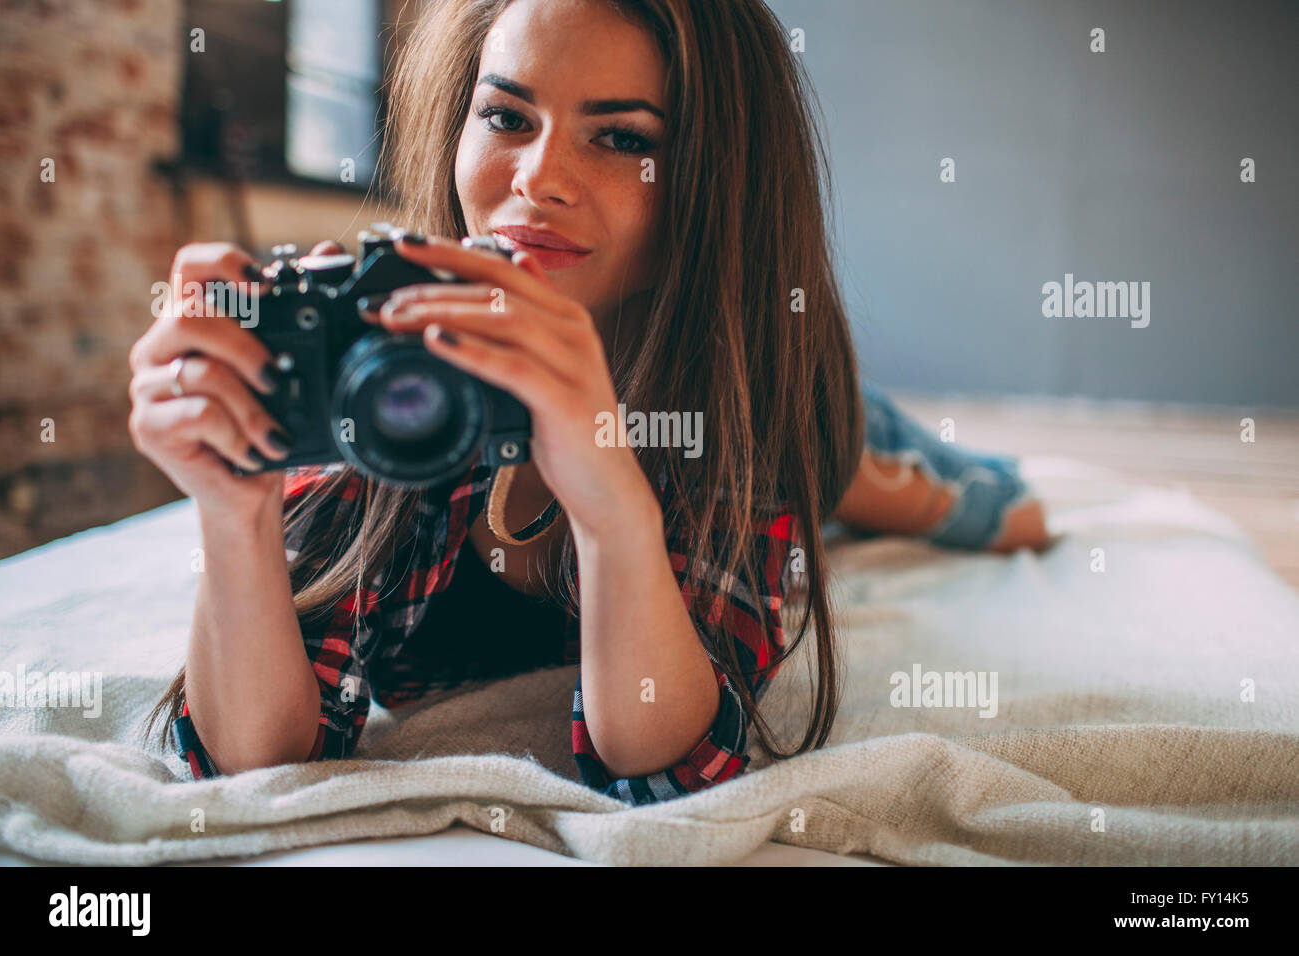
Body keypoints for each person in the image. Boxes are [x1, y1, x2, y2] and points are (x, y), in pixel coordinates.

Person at [130, 0, 1049, 805]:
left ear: (709, 180)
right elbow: (259, 759)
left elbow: (668, 764)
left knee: (969, 506)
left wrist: (610, 501)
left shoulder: (744, 417)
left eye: (622, 138)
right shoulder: (380, 354)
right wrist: (233, 511)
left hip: (767, 388)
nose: (536, 179)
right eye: (505, 116)